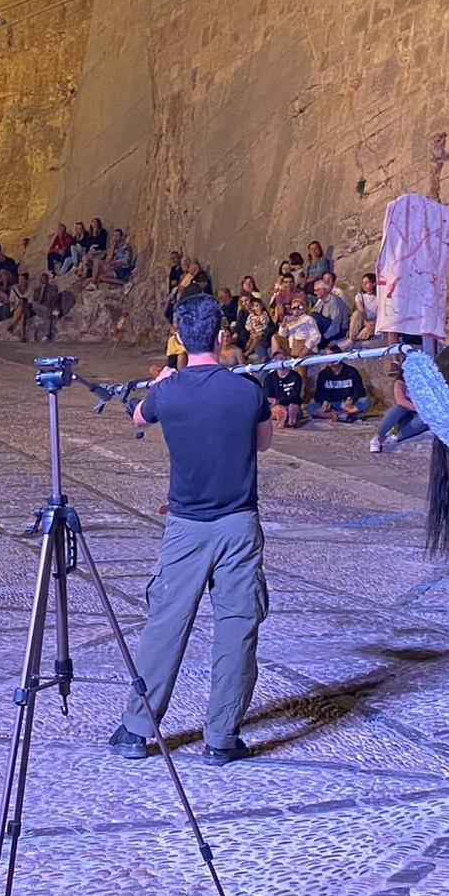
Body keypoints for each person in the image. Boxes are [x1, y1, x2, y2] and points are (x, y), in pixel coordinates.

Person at [109, 294, 272, 765]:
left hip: (185, 527)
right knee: (237, 628)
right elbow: (261, 443)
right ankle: (221, 737)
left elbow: (138, 416)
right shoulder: (248, 391)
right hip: (238, 524)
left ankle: (137, 729)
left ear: (179, 337)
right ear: (222, 336)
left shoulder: (167, 392)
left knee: (166, 624)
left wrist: (161, 382)